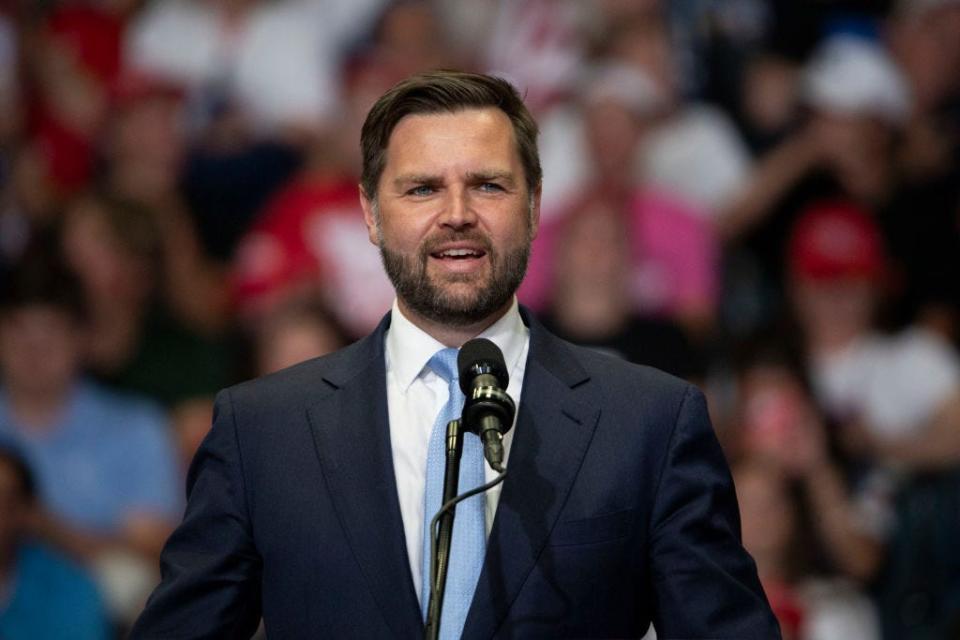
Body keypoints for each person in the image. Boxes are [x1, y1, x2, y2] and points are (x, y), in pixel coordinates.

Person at [131, 70, 778, 639]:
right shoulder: (262, 430)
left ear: (534, 206)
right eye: (421, 190)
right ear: (370, 214)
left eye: (489, 186)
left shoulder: (651, 424)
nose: (457, 214)